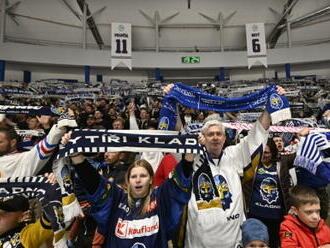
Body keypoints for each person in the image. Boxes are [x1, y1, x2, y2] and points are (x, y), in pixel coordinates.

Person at [173, 85, 286, 248]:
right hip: (197, 242)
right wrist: (173, 100)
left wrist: (271, 103)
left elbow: (259, 131)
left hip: (233, 242)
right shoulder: (191, 157)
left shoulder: (234, 155)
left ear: (225, 138)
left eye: (219, 134)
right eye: (210, 134)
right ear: (202, 137)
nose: (215, 138)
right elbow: (178, 131)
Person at [66, 149, 194, 247]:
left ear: (150, 180)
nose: (138, 180)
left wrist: (189, 154)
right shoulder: (117, 199)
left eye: (143, 176)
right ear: (128, 180)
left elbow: (179, 183)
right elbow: (95, 184)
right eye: (133, 177)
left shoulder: (160, 197)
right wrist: (75, 155)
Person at [243, 138, 295, 248]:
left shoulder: (282, 163)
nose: (263, 155)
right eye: (261, 152)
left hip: (276, 216)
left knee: (274, 244)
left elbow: (298, 155)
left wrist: (302, 137)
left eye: (266, 152)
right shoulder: (250, 164)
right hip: (255, 215)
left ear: (273, 152)